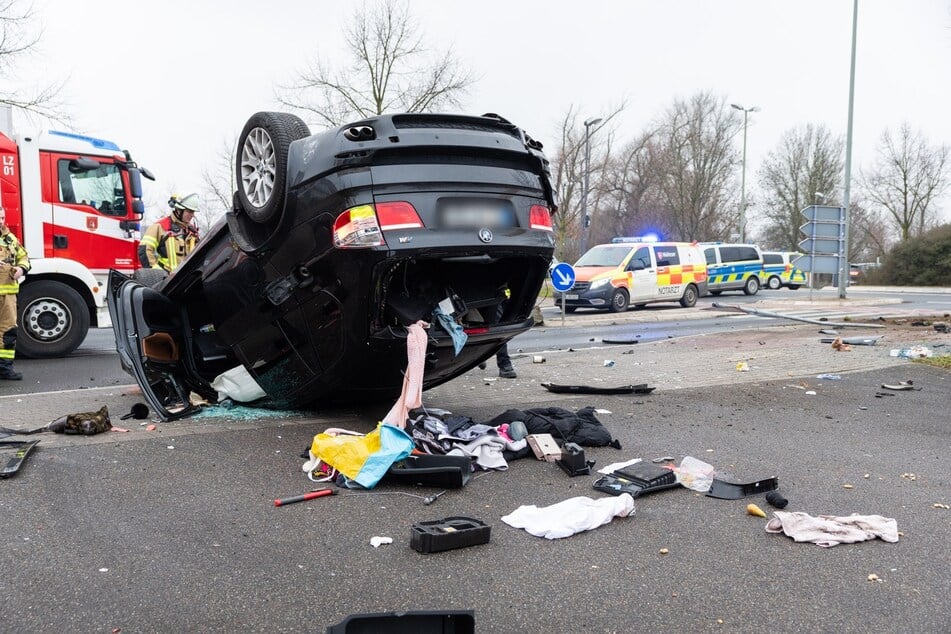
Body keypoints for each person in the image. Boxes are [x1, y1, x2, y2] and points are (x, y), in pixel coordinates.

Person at [0, 205, 31, 380]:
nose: (0, 222)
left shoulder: (10, 239)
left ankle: (4, 368)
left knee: (8, 331)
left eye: (2, 218)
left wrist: (21, 269)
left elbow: (24, 257)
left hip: (8, 295)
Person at [138, 193, 201, 272]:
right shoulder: (160, 227)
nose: (192, 215)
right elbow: (144, 251)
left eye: (193, 212)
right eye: (189, 211)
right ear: (178, 210)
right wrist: (158, 273)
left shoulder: (193, 232)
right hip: (167, 281)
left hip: (188, 280)